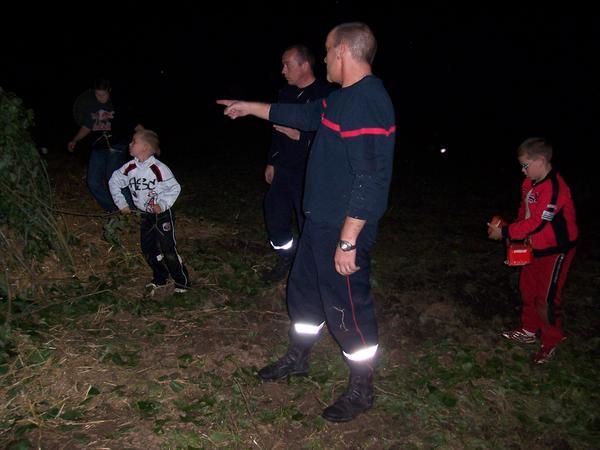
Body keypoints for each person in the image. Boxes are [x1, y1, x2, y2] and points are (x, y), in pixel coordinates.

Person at [218, 22, 396, 422]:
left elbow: (372, 179)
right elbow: (303, 114)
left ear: (342, 53)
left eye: (328, 49)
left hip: (342, 228)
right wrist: (250, 108)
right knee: (303, 297)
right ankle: (299, 358)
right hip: (319, 223)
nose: (325, 57)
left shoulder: (367, 102)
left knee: (348, 307)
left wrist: (348, 241)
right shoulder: (341, 99)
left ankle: (362, 388)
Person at [487, 137, 578, 364]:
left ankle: (551, 341)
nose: (522, 170)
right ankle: (528, 330)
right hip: (535, 248)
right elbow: (524, 214)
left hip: (556, 251)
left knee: (546, 298)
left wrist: (506, 233)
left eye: (526, 165)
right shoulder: (530, 183)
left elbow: (538, 223)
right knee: (527, 289)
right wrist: (515, 243)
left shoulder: (556, 189)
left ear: (541, 160)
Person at [262, 44, 336, 282]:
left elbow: (333, 137)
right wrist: (272, 161)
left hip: (310, 172)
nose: (283, 70)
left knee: (309, 221)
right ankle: (287, 256)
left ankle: (311, 269)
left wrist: (301, 137)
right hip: (283, 167)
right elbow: (276, 131)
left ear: (304, 65)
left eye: (288, 64)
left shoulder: (326, 95)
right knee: (274, 214)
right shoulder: (285, 94)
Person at [108, 129, 191, 294]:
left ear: (144, 148)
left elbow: (174, 188)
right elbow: (114, 181)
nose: (130, 144)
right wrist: (122, 204)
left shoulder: (159, 169)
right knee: (148, 249)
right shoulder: (129, 167)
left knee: (168, 249)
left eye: (134, 142)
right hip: (145, 216)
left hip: (162, 215)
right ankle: (160, 278)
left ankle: (182, 282)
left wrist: (162, 204)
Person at [68, 78, 141, 212]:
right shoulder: (91, 106)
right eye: (97, 94)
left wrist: (146, 136)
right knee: (93, 182)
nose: (100, 98)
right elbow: (87, 126)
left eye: (103, 94)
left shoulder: (117, 104)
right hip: (98, 147)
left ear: (109, 91)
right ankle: (113, 209)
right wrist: (75, 140)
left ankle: (132, 209)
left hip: (117, 146)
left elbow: (131, 122)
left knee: (113, 178)